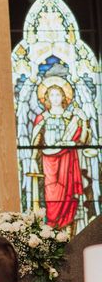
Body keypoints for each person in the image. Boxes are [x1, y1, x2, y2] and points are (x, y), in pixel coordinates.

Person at [30, 76, 89, 229]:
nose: (55, 98)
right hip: (48, 161)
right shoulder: (42, 118)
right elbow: (35, 141)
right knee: (51, 194)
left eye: (58, 94)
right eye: (52, 95)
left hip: (67, 160)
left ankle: (68, 230)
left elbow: (82, 140)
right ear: (46, 98)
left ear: (63, 96)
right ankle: (51, 229)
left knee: (68, 195)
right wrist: (31, 160)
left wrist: (84, 121)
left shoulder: (71, 118)